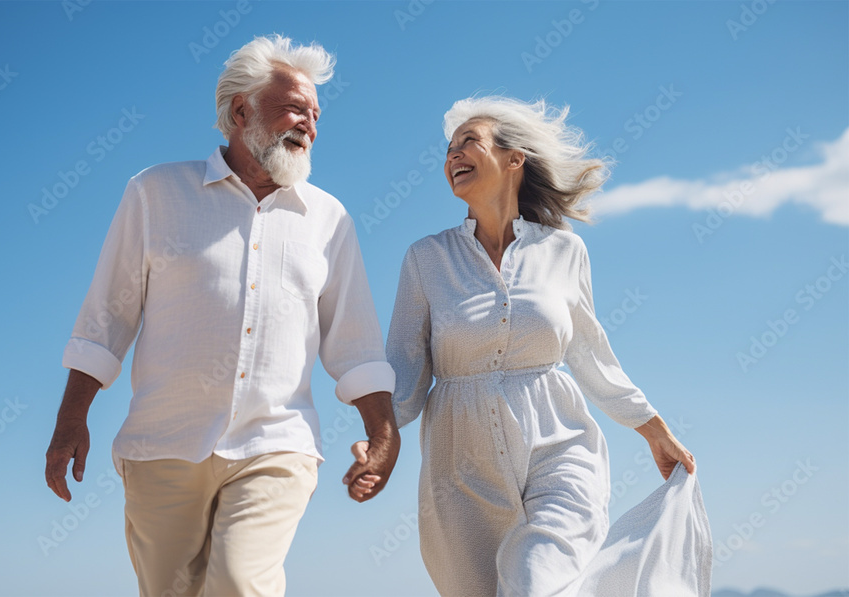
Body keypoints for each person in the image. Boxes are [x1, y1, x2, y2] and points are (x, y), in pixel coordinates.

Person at [45, 34, 400, 597]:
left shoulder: (329, 219)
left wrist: (384, 436)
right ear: (241, 111)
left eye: (315, 114)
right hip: (163, 441)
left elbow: (355, 343)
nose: (308, 125)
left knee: (240, 582)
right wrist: (71, 419)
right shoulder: (155, 192)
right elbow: (105, 319)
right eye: (294, 109)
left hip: (277, 441)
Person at [372, 96, 712, 596]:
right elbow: (404, 368)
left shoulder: (564, 250)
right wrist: (378, 437)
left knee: (537, 581)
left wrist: (653, 429)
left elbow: (592, 354)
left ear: (515, 160)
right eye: (448, 149)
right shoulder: (427, 258)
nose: (453, 155)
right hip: (460, 465)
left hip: (559, 441)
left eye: (469, 141)